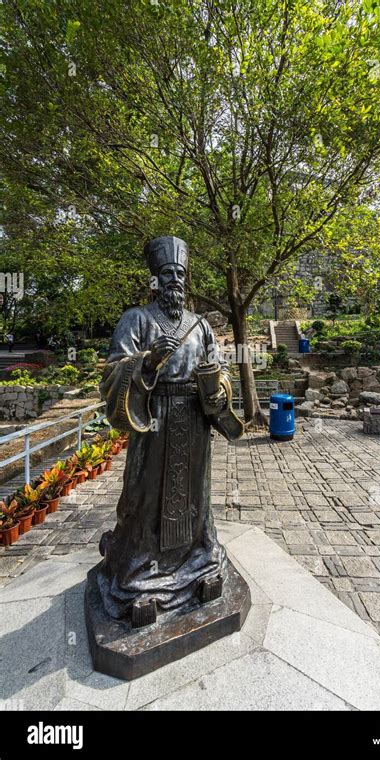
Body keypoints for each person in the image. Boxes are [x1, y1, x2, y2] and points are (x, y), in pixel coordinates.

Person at [98, 236, 242, 620]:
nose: (175, 280)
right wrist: (146, 362)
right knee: (145, 501)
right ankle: (139, 571)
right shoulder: (137, 320)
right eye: (167, 274)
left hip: (194, 421)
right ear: (156, 281)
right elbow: (113, 371)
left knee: (195, 496)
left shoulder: (201, 326)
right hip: (154, 422)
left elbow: (220, 370)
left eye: (180, 273)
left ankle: (198, 559)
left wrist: (219, 390)